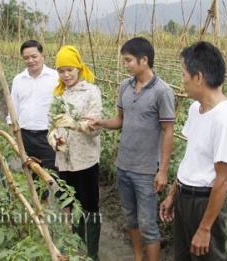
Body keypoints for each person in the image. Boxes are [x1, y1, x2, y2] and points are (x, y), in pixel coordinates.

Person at [89, 37, 175, 261]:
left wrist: (162, 171)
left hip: (146, 171)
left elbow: (168, 131)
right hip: (124, 166)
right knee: (130, 219)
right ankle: (138, 257)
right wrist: (102, 123)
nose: (125, 65)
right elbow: (120, 120)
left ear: (144, 60)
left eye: (128, 60)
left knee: (148, 224)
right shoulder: (124, 87)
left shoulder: (162, 91)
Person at [159, 41, 227, 261]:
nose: (182, 81)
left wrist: (205, 228)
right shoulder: (195, 109)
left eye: (183, 74)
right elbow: (191, 158)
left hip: (206, 204)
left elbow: (222, 180)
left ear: (198, 77)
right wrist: (173, 195)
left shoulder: (225, 119)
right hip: (185, 198)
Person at [47, 45, 102, 261]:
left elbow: (95, 127)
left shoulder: (91, 92)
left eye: (70, 69)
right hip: (64, 161)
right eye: (61, 71)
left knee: (90, 207)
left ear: (79, 68)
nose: (66, 75)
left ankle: (93, 254)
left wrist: (76, 124)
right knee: (72, 205)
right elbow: (50, 124)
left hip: (86, 160)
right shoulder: (58, 94)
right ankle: (79, 250)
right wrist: (53, 140)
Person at [7, 40, 58, 171]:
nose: (30, 60)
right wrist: (12, 130)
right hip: (24, 136)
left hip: (48, 136)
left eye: (34, 56)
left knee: (52, 174)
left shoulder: (55, 77)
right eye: (26, 58)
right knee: (30, 172)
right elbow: (13, 106)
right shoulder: (18, 79)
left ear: (42, 56)